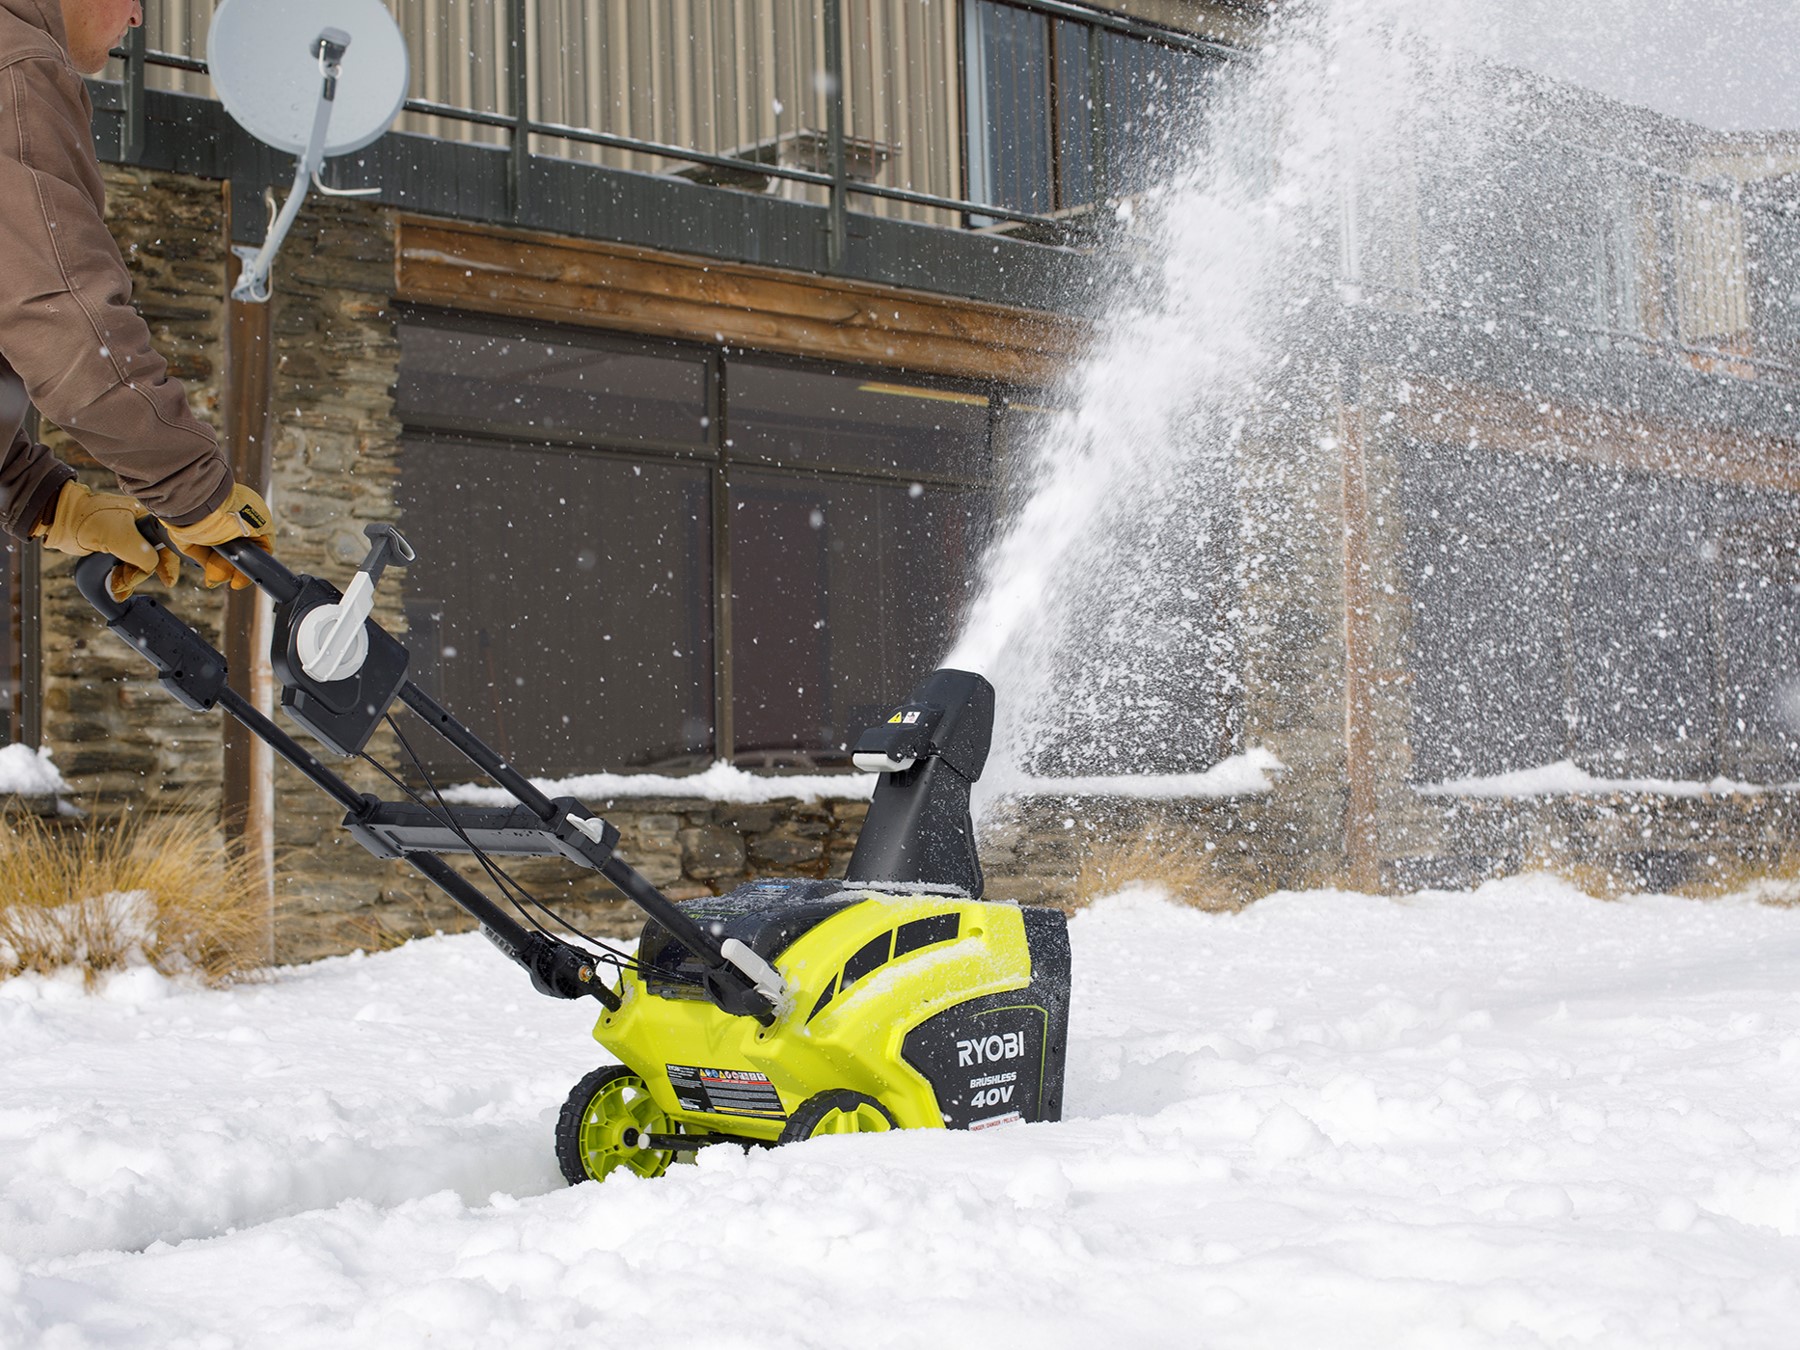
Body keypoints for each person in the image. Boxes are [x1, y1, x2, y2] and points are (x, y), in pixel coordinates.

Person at [0, 0, 274, 600]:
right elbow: (58, 309)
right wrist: (191, 485)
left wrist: (40, 497)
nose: (138, 19)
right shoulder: (14, 70)